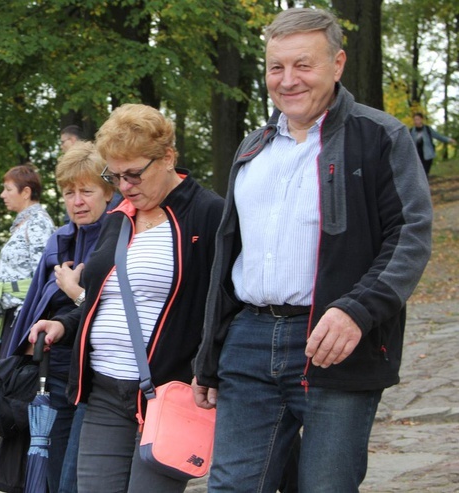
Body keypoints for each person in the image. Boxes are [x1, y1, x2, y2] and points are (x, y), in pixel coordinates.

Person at [192, 8, 433, 492]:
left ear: (338, 64)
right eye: (276, 67)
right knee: (231, 486)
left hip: (334, 344)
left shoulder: (380, 136)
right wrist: (209, 355)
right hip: (248, 342)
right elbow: (228, 258)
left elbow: (410, 235)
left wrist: (357, 311)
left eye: (304, 64)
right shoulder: (251, 149)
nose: (288, 80)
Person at [29, 103, 224, 492]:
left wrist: (211, 365)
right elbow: (108, 295)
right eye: (115, 176)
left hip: (167, 394)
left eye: (134, 173)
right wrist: (65, 324)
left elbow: (224, 303)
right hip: (102, 389)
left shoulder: (208, 213)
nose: (125, 186)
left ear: (167, 158)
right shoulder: (120, 215)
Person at [2, 141, 116, 492]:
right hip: (54, 371)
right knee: (50, 468)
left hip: (99, 377)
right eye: (68, 192)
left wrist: (73, 292)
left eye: (86, 191)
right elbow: (35, 303)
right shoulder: (60, 240)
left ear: (108, 192)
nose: (76, 201)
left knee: (78, 476)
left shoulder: (121, 236)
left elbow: (111, 309)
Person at [0, 163, 55, 361]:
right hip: (14, 312)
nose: (3, 194)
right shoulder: (24, 223)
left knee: (11, 375)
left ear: (26, 192)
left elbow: (43, 274)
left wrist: (31, 316)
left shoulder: (38, 223)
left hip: (24, 313)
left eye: (8, 189)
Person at [410, 112, 456, 177]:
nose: (416, 121)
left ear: (421, 119)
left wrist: (449, 140)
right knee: (419, 172)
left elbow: (438, 136)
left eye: (418, 119)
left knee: (425, 171)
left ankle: (425, 184)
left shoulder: (427, 129)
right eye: (415, 119)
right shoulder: (412, 131)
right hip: (416, 155)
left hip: (427, 154)